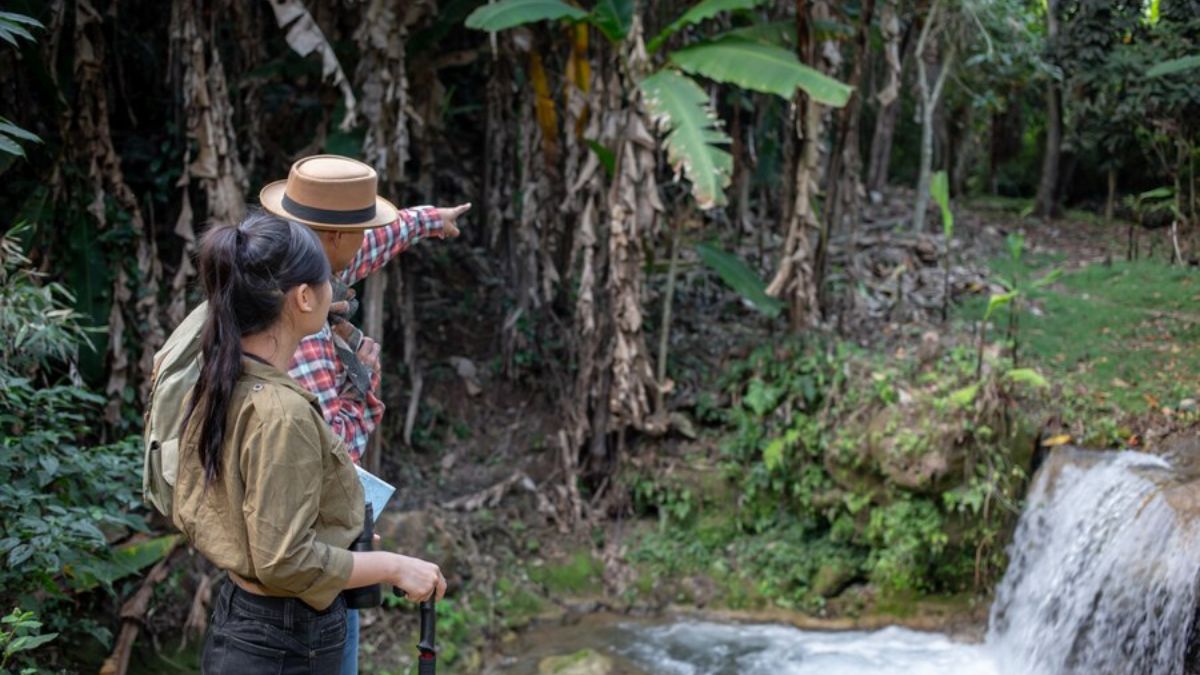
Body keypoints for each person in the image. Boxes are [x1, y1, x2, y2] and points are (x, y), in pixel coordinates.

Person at [173, 211, 447, 675]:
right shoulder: (284, 413)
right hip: (287, 640)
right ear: (303, 297)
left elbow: (249, 516)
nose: (336, 291)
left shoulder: (224, 376)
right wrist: (394, 566)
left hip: (243, 617)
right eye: (328, 282)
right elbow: (286, 561)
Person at [261, 155, 470, 673]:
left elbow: (377, 240)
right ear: (333, 238)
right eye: (358, 230)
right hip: (303, 583)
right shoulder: (298, 331)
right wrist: (362, 390)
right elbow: (331, 457)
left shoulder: (278, 268)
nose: (365, 243)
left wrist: (429, 220)